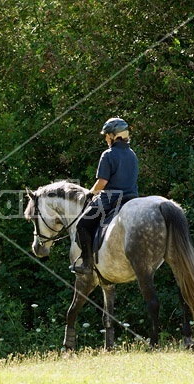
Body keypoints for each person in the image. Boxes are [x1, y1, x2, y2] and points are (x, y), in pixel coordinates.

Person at [71, 117, 139, 275]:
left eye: (106, 135)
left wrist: (91, 193)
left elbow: (102, 182)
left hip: (111, 200)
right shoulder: (132, 154)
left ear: (113, 136)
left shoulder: (108, 154)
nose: (105, 138)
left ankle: (87, 264)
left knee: (82, 225)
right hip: (131, 199)